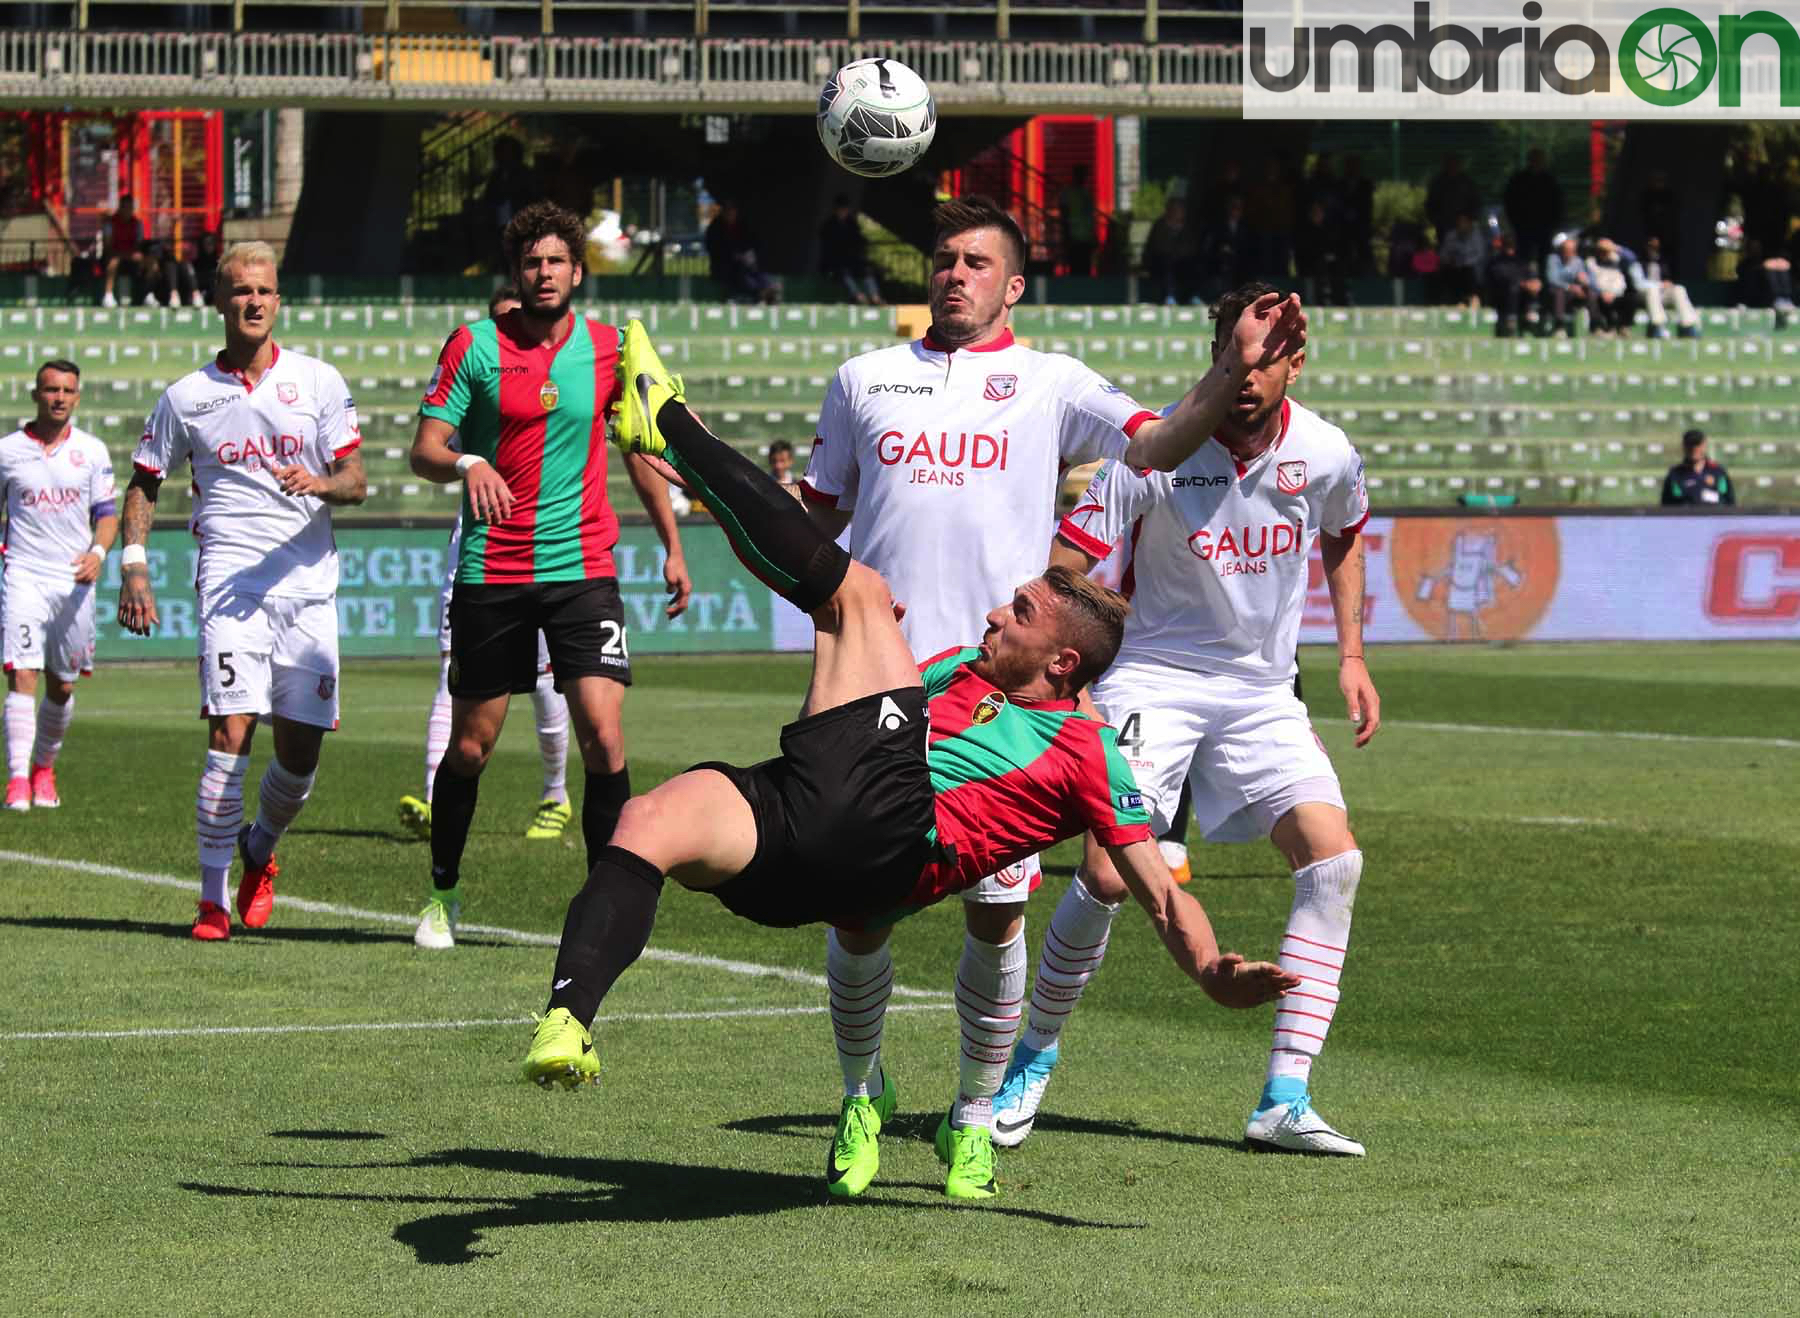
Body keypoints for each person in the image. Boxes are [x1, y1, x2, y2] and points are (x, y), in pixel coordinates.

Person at [519, 329, 1301, 1202]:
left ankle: (970, 1118)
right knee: (655, 815)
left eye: (1022, 611)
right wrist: (719, 506)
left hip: (899, 842)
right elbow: (804, 579)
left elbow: (1158, 886)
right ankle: (608, 1028)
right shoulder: (948, 672)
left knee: (857, 606)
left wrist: (1206, 969)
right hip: (834, 853)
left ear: (1063, 664)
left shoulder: (1086, 748)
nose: (997, 614)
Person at [796, 195, 1308, 1198]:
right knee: (860, 916)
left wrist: (1233, 368)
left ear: (1013, 284)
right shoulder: (863, 380)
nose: (953, 273)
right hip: (880, 688)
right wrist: (827, 658)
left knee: (998, 917)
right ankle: (860, 1096)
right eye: (941, 258)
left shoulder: (1052, 383)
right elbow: (812, 528)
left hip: (1007, 699)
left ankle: (974, 1115)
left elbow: (1159, 445)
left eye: (976, 262)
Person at [995, 279, 1379, 1158]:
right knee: (1105, 873)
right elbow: (1071, 565)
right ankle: (1031, 1057)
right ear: (1215, 352)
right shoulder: (1156, 452)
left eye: (1267, 357)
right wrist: (1067, 679)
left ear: (1295, 360)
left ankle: (1286, 1095)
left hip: (1259, 692)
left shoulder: (1324, 451)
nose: (1247, 374)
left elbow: (1346, 530)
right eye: (1233, 354)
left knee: (1335, 861)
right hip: (1152, 680)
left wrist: (1351, 656)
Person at [408, 201, 691, 951]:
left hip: (583, 569)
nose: (544, 274)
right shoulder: (473, 345)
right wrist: (469, 461)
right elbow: (425, 448)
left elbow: (637, 449)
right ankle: (443, 893)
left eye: (556, 261)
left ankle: (607, 910)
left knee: (604, 736)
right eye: (531, 263)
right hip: (492, 570)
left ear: (576, 270)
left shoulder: (610, 348)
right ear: (516, 273)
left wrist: (672, 542)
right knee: (471, 747)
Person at [117, 240, 367, 941]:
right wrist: (134, 562)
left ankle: (260, 847)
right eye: (238, 290)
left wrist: (322, 483)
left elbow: (356, 477)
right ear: (219, 301)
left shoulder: (318, 381)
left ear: (277, 300)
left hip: (308, 592)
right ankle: (209, 899)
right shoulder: (186, 396)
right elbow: (145, 480)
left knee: (301, 756)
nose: (252, 301)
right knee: (229, 732)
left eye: (263, 290)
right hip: (229, 588)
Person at [397, 286, 583, 847]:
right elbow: (432, 446)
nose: (507, 333)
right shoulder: (472, 373)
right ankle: (434, 797)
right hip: (476, 548)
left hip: (548, 548)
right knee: (452, 670)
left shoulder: (557, 378)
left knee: (549, 677)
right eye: (499, 322)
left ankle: (555, 794)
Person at [0, 359, 117, 810]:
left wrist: (98, 553)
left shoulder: (92, 452)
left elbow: (106, 517)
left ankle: (43, 768)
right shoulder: (9, 450)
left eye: (68, 390)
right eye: (51, 389)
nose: (59, 398)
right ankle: (16, 780)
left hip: (74, 580)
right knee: (21, 673)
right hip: (24, 574)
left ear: (78, 396)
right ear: (36, 394)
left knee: (62, 685)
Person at [705, 201, 780, 305]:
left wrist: (748, 254)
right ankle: (763, 291)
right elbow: (714, 249)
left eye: (733, 210)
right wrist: (734, 255)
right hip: (724, 265)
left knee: (754, 265)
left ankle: (767, 289)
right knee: (743, 273)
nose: (731, 213)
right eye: (728, 211)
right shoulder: (715, 228)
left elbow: (753, 243)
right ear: (723, 212)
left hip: (746, 262)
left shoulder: (744, 225)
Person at [1628, 236, 1700, 339]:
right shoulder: (1636, 263)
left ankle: (1687, 326)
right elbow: (1638, 284)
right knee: (1653, 290)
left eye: (1656, 248)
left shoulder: (1663, 263)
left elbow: (1667, 280)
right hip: (1642, 295)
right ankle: (1657, 326)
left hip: (1660, 296)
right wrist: (1660, 285)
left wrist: (1667, 285)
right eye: (1651, 247)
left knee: (1679, 289)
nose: (1654, 250)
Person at [1503, 148, 1563, 267]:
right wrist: (1515, 221)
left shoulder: (1549, 180)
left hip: (1544, 226)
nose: (1537, 162)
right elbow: (1510, 202)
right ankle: (1524, 281)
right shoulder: (1519, 180)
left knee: (1544, 258)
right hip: (1524, 225)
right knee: (1523, 256)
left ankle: (1543, 282)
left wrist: (1554, 223)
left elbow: (1558, 203)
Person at [818, 195, 882, 305]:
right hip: (834, 263)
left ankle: (874, 296)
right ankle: (857, 296)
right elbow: (828, 248)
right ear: (836, 210)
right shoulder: (829, 225)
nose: (844, 212)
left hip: (851, 260)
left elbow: (859, 240)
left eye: (845, 209)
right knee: (844, 272)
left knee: (866, 270)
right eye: (841, 209)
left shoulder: (851, 223)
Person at [1484, 232, 1546, 338]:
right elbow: (1502, 278)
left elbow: (1529, 273)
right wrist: (1523, 284)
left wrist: (1534, 282)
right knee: (1513, 288)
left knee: (1536, 287)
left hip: (1523, 295)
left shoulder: (1520, 260)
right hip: (1502, 295)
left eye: (1512, 246)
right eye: (1508, 246)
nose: (1510, 249)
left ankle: (1533, 315)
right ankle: (1511, 321)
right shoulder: (1496, 262)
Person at [1142, 197, 1201, 305]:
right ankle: (1169, 296)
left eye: (1181, 210)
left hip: (1182, 261)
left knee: (1194, 266)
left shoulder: (1187, 227)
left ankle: (1193, 296)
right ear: (1169, 210)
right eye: (1176, 210)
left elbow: (1191, 246)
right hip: (1161, 262)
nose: (1179, 213)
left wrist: (1182, 254)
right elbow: (1157, 247)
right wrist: (1173, 253)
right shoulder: (1159, 225)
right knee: (1167, 264)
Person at [100, 196, 152, 308]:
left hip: (131, 257)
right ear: (120, 207)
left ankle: (148, 294)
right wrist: (123, 254)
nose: (128, 210)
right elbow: (108, 246)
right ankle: (108, 296)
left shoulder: (137, 224)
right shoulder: (110, 223)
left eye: (130, 207)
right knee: (113, 261)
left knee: (150, 262)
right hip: (114, 256)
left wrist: (134, 254)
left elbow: (138, 245)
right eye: (125, 207)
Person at [1661, 429, 1735, 507]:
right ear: (1684, 446)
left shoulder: (1718, 472)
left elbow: (1729, 502)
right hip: (1685, 518)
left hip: (1713, 517)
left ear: (1704, 445)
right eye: (1690, 445)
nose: (1694, 449)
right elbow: (1666, 505)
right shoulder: (1675, 474)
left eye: (1697, 445)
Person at [1585, 237, 1637, 335]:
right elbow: (1591, 282)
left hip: (1617, 293)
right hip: (1601, 295)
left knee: (1632, 298)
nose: (1604, 253)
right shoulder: (1591, 262)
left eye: (1606, 251)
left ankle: (1624, 327)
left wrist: (1615, 247)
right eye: (1602, 251)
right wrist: (1602, 292)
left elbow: (1632, 258)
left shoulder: (1618, 260)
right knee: (1593, 297)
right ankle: (1599, 328)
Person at [1545, 236, 1592, 336]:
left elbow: (1583, 277)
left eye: (1572, 250)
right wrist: (1569, 287)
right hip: (1556, 292)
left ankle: (1596, 326)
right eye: (1567, 250)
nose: (1570, 253)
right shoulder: (1553, 259)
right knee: (1559, 293)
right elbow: (1552, 279)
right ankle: (1559, 326)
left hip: (1574, 294)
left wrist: (1584, 282)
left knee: (1591, 293)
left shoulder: (1578, 261)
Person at [1437, 213, 1486, 306]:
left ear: (1470, 223)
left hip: (1473, 269)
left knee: (1469, 272)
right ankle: (1452, 302)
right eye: (1459, 223)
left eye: (1464, 222)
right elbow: (1443, 254)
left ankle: (1472, 298)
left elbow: (1480, 255)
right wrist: (1449, 260)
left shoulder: (1477, 236)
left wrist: (1464, 262)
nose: (1462, 225)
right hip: (1454, 268)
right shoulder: (1451, 236)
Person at [1059, 165, 1098, 277]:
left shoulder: (1086, 194)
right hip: (1074, 238)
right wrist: (1066, 235)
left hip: (1085, 238)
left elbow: (1090, 217)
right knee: (1076, 269)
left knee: (1084, 269)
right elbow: (1064, 216)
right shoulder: (1068, 193)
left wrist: (1093, 236)